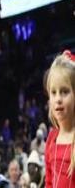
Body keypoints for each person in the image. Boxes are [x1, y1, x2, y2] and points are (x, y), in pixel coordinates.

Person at [44, 51, 75, 188]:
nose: (58, 99)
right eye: (53, 92)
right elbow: (49, 183)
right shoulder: (51, 138)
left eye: (64, 91)